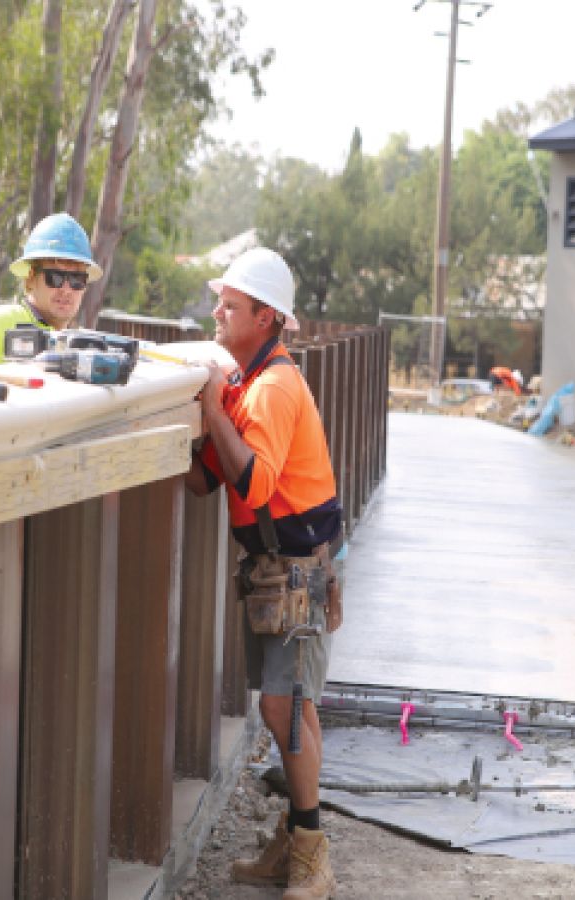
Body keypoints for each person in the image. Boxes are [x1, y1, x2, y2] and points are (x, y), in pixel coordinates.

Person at [185, 247, 343, 899]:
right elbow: (203, 481)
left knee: (288, 706)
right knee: (288, 710)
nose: (217, 310)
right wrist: (201, 418)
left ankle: (311, 855)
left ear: (267, 318)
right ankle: (295, 838)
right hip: (278, 571)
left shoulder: (271, 389)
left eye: (231, 304)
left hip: (297, 572)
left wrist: (213, 411)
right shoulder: (247, 385)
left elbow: (253, 482)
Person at [0, 212, 102, 370]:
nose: (66, 290)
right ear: (31, 278)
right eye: (55, 277)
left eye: (76, 279)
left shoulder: (82, 350)